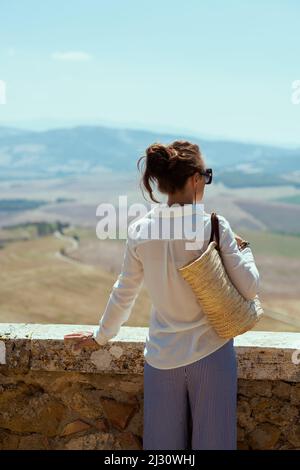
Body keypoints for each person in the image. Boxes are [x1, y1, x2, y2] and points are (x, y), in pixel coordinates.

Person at [64, 140, 260, 450]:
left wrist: (101, 336)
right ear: (195, 179)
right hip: (212, 355)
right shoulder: (213, 225)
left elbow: (124, 291)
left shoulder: (141, 231)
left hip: (161, 358)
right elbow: (249, 287)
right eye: (207, 176)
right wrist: (244, 248)